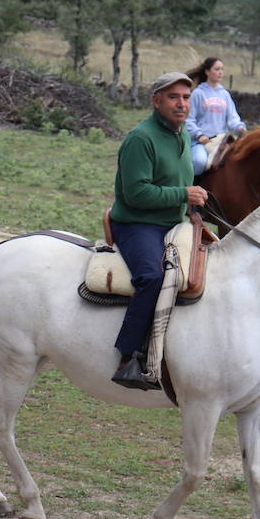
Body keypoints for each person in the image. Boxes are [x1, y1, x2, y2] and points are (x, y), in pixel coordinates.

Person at [109, 72, 209, 390]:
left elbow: (175, 181)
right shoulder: (141, 138)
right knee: (152, 277)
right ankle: (128, 358)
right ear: (156, 101)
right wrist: (184, 194)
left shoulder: (182, 135)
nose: (181, 104)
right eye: (173, 97)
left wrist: (192, 210)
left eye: (185, 97)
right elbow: (136, 193)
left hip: (172, 222)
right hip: (137, 224)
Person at [186, 56, 246, 174]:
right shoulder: (198, 93)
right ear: (207, 72)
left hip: (221, 142)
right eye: (217, 69)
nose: (220, 72)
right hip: (202, 142)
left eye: (222, 69)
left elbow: (232, 117)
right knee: (199, 162)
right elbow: (189, 120)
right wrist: (199, 135)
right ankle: (190, 188)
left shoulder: (225, 94)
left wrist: (240, 127)